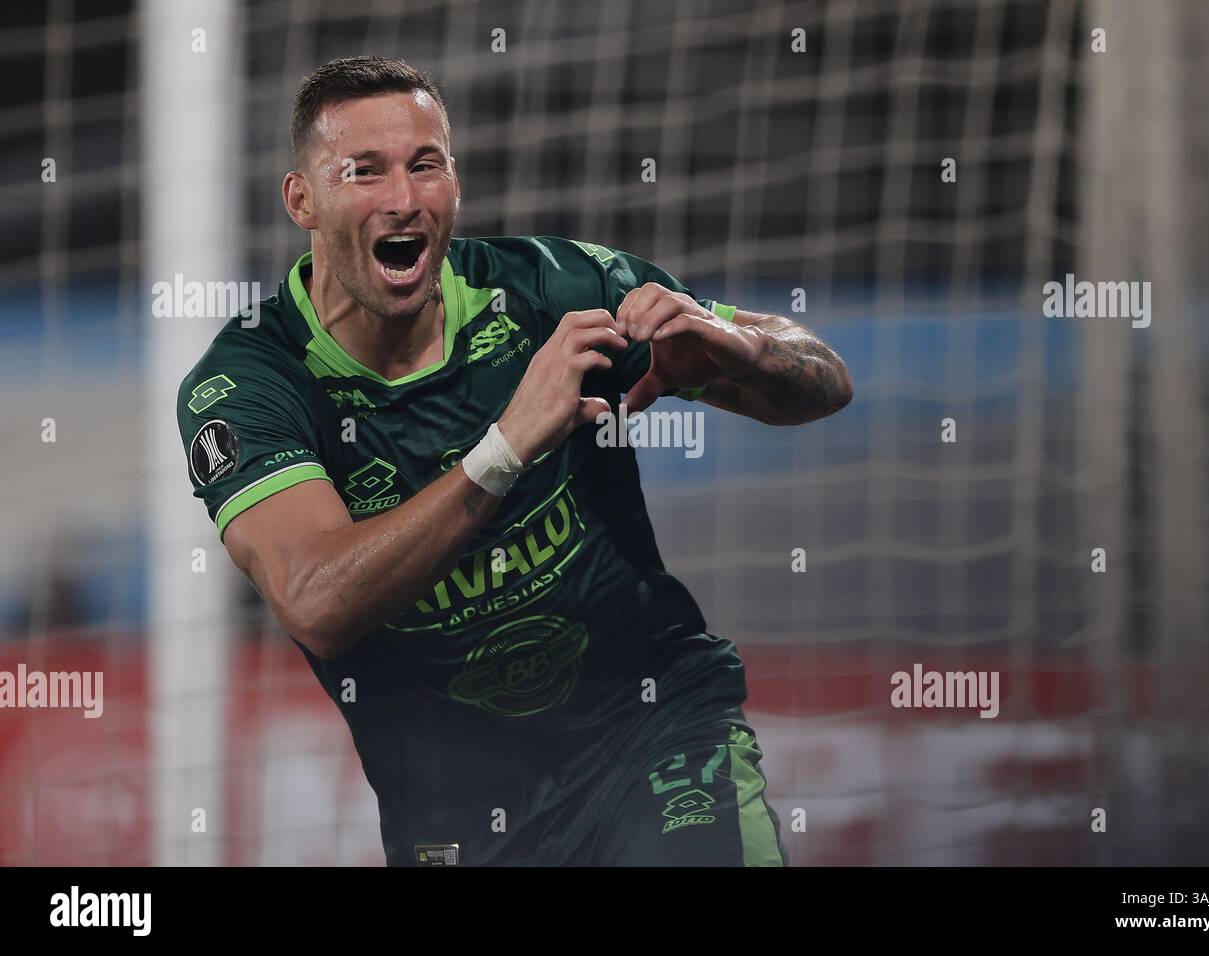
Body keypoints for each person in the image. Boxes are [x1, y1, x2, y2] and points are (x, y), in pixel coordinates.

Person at [177, 55, 852, 866]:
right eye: (364, 172)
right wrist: (505, 447)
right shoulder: (250, 384)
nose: (404, 198)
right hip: (457, 819)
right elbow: (316, 601)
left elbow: (823, 382)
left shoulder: (555, 289)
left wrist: (736, 347)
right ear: (302, 201)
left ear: (453, 182)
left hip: (654, 740)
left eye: (425, 165)